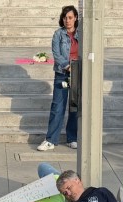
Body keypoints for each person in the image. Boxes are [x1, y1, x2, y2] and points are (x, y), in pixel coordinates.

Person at [38, 5, 80, 151]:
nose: (67, 20)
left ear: (75, 18)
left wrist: (77, 66)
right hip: (62, 73)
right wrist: (66, 65)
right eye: (65, 18)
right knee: (58, 107)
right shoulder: (58, 34)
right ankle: (50, 140)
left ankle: (72, 138)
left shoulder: (82, 34)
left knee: (74, 107)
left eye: (70, 17)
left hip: (77, 73)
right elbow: (56, 53)